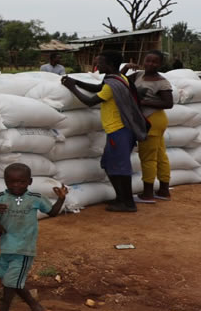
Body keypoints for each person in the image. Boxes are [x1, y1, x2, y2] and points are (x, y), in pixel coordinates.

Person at [61, 51, 148, 212]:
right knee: (108, 164)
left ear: (109, 65)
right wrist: (77, 82)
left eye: (99, 63)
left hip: (119, 130)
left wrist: (72, 87)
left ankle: (128, 203)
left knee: (121, 168)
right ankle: (121, 198)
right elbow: (98, 87)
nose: (96, 66)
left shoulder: (111, 84)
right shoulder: (117, 78)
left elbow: (89, 101)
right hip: (119, 130)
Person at [0, 164, 67, 311]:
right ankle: (38, 310)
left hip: (23, 248)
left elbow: (53, 213)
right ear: (5, 181)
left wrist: (61, 199)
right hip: (6, 247)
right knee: (10, 280)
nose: (16, 185)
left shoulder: (35, 198)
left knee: (11, 281)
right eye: (11, 182)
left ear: (29, 182)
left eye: (21, 182)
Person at [125, 50, 174, 203]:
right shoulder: (138, 75)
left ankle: (147, 193)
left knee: (148, 158)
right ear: (143, 61)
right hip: (151, 120)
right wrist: (125, 68)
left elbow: (168, 103)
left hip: (152, 120)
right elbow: (121, 82)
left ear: (160, 64)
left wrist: (143, 103)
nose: (150, 64)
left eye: (155, 62)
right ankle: (164, 190)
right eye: (148, 60)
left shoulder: (162, 82)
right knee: (160, 155)